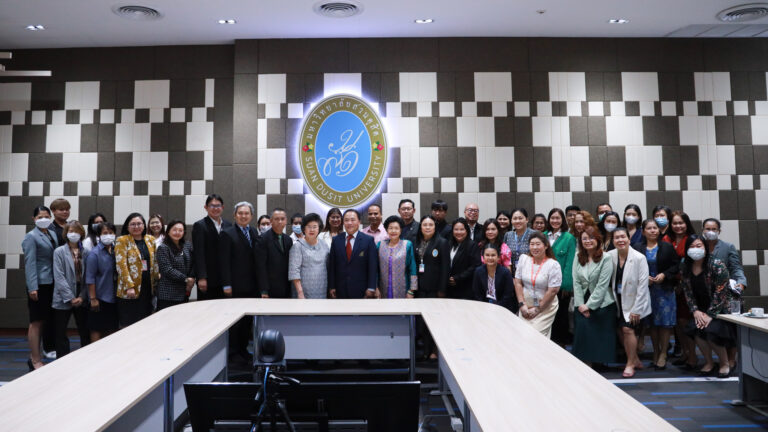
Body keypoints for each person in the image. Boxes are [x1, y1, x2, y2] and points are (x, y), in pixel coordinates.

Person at [681, 235, 735, 378]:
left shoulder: (716, 264)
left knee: (711, 332)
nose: (695, 249)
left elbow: (721, 291)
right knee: (696, 329)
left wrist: (710, 314)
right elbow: (687, 291)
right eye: (691, 246)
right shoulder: (685, 265)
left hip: (720, 309)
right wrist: (695, 311)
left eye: (698, 246)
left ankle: (724, 364)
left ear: (705, 247)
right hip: (700, 308)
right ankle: (709, 362)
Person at [633, 218, 679, 370]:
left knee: (665, 324)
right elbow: (632, 267)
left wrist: (664, 275)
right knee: (651, 323)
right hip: (646, 291)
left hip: (664, 290)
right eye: (649, 228)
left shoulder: (666, 247)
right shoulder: (637, 247)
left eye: (655, 228)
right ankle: (656, 352)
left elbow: (675, 266)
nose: (653, 230)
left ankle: (664, 353)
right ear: (643, 231)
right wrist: (644, 277)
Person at [219, 201, 260, 362]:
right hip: (234, 286)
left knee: (247, 322)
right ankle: (234, 353)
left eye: (247, 213)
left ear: (251, 216)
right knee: (235, 322)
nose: (244, 216)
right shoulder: (227, 233)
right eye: (240, 213)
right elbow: (223, 261)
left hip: (252, 285)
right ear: (235, 215)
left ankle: (243, 350)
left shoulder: (255, 232)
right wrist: (226, 284)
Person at [608, 228, 651, 378]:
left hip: (634, 301)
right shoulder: (609, 256)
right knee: (620, 330)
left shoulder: (639, 258)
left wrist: (637, 309)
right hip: (617, 300)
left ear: (629, 239)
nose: (620, 240)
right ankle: (636, 359)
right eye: (616, 238)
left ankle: (630, 363)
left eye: (623, 237)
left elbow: (643, 285)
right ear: (613, 241)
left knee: (628, 330)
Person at [572, 226, 616, 366]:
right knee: (582, 331)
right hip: (582, 300)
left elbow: (602, 285)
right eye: (584, 239)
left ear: (598, 239)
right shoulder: (578, 256)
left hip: (602, 301)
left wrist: (589, 306)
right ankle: (585, 364)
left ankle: (598, 363)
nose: (588, 241)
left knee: (598, 334)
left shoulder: (606, 257)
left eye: (591, 238)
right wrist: (580, 304)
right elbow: (576, 282)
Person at [23, 206, 59, 370]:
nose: (43, 219)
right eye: (39, 216)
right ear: (34, 219)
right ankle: (35, 359)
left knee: (45, 320)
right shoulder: (31, 237)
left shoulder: (51, 233)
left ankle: (38, 355)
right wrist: (32, 287)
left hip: (51, 282)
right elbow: (29, 264)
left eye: (46, 216)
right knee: (36, 322)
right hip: (38, 285)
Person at [52, 221, 90, 357]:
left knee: (84, 330)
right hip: (63, 294)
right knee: (60, 331)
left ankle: (86, 357)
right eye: (70, 231)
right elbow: (59, 276)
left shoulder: (86, 252)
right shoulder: (59, 252)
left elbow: (88, 277)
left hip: (81, 292)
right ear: (66, 233)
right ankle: (62, 359)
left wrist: (82, 296)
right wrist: (70, 297)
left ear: (81, 233)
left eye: (76, 231)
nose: (73, 234)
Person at [514, 232, 561, 338]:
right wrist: (522, 305)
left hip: (545, 307)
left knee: (536, 337)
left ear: (546, 246)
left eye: (538, 244)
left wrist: (537, 309)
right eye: (532, 244)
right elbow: (518, 282)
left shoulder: (553, 265)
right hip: (526, 305)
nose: (534, 247)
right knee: (521, 335)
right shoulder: (524, 259)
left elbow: (553, 291)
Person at [415, 215, 450, 360]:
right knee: (421, 321)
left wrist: (442, 289)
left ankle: (432, 351)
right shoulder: (416, 242)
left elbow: (445, 268)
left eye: (430, 225)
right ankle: (424, 350)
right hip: (419, 288)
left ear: (435, 227)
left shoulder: (442, 242)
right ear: (421, 227)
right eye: (425, 225)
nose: (427, 227)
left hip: (435, 289)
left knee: (433, 321)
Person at [115, 213, 159, 327]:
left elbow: (155, 262)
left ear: (144, 225)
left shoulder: (151, 239)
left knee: (145, 321)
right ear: (127, 226)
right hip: (130, 289)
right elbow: (121, 265)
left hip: (147, 287)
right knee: (129, 323)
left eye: (139, 223)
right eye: (133, 224)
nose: (136, 227)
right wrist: (129, 286)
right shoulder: (122, 240)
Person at [665, 210, 697, 365]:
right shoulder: (666, 239)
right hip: (671, 287)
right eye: (675, 223)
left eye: (681, 223)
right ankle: (685, 352)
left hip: (688, 287)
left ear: (687, 224)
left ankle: (693, 356)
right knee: (677, 322)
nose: (678, 226)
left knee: (686, 321)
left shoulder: (691, 240)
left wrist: (682, 282)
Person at [328, 209, 378, 299]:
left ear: (359, 222)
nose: (349, 223)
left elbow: (373, 266)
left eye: (353, 220)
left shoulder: (368, 240)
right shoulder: (336, 240)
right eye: (346, 220)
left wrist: (371, 287)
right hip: (340, 289)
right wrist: (332, 286)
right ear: (343, 222)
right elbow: (332, 266)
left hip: (362, 289)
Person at [546, 208, 577, 347]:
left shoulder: (568, 237)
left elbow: (570, 263)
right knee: (547, 315)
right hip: (544, 283)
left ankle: (561, 345)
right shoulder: (543, 235)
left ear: (562, 220)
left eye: (558, 218)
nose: (555, 221)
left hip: (561, 286)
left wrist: (566, 285)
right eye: (552, 218)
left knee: (561, 316)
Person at [192, 194, 233, 300]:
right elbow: (198, 254)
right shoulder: (200, 225)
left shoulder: (229, 225)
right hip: (208, 279)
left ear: (223, 207)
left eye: (218, 205)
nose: (215, 208)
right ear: (206, 207)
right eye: (212, 206)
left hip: (225, 279)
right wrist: (201, 277)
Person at [85, 222, 119, 342]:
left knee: (111, 329)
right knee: (96, 329)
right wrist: (93, 299)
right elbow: (90, 278)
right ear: (99, 235)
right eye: (105, 233)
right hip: (99, 298)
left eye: (111, 233)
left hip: (114, 297)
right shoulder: (94, 254)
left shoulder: (116, 251)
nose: (108, 235)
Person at [288, 213, 329, 299]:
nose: (312, 230)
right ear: (304, 228)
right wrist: (300, 292)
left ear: (319, 228)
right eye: (309, 226)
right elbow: (294, 271)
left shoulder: (324, 245)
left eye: (315, 227)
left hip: (322, 289)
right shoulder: (298, 246)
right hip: (303, 291)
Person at [156, 220, 195, 311]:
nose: (177, 232)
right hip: (167, 293)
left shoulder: (187, 245)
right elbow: (167, 269)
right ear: (168, 231)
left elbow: (193, 262)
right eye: (174, 230)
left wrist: (191, 278)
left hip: (184, 291)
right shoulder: (163, 247)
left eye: (180, 230)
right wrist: (186, 279)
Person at [376, 216, 418, 299]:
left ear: (401, 230)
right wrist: (376, 287)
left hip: (403, 289)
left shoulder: (407, 245)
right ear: (387, 230)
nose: (393, 231)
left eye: (396, 228)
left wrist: (411, 290)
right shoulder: (380, 245)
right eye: (390, 228)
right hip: (383, 288)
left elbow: (412, 268)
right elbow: (375, 268)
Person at [257, 208, 293, 298]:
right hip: (270, 288)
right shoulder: (262, 239)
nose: (280, 221)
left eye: (282, 219)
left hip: (286, 286)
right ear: (271, 221)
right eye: (276, 219)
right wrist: (264, 290)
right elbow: (260, 266)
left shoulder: (288, 239)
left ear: (286, 221)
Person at [473, 244, 515, 311]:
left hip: (503, 308)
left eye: (493, 255)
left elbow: (508, 295)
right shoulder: (478, 271)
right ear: (483, 257)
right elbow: (477, 294)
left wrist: (496, 308)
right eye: (487, 255)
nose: (490, 258)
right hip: (483, 308)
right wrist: (484, 307)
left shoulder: (505, 272)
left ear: (498, 257)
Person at [447, 218, 481, 300]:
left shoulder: (472, 245)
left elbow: (475, 266)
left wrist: (458, 278)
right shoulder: (448, 244)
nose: (459, 232)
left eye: (462, 229)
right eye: (456, 229)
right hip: (449, 288)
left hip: (465, 288)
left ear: (466, 230)